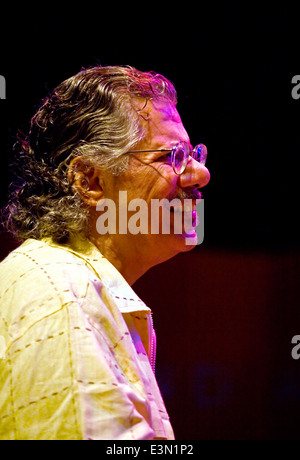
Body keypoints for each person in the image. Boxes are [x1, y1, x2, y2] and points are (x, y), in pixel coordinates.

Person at [0, 66, 210, 440]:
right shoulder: (62, 295)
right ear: (91, 181)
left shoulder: (78, 288)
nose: (200, 174)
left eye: (193, 153)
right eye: (172, 157)